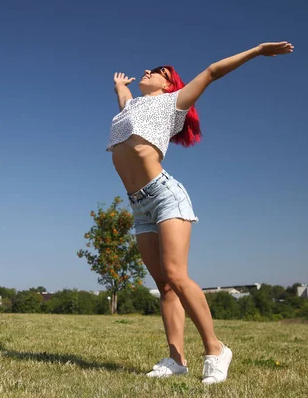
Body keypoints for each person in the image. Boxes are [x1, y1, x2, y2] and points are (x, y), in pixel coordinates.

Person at [107, 42, 294, 384]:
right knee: (164, 286)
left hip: (165, 197)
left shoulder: (172, 103)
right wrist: (121, 87)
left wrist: (257, 51)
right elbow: (124, 104)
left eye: (158, 72)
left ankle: (215, 349)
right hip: (139, 206)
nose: (147, 72)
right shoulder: (130, 106)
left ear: (169, 84)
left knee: (177, 275)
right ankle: (177, 359)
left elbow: (210, 72)